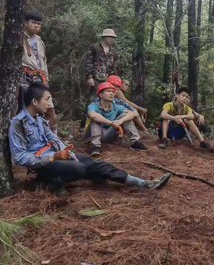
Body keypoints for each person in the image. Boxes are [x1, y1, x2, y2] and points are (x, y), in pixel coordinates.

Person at [9, 83, 170, 197]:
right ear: (35, 101)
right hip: (43, 164)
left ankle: (144, 183)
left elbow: (53, 138)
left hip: (56, 157)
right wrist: (51, 157)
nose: (50, 104)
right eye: (47, 99)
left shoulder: (39, 119)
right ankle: (48, 181)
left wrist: (66, 152)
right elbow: (19, 157)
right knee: (80, 169)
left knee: (94, 164)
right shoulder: (18, 123)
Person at [19, 10, 57, 134]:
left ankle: (53, 139)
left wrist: (46, 78)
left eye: (39, 24)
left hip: (39, 77)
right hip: (24, 76)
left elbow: (43, 62)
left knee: (49, 108)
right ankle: (25, 138)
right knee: (24, 109)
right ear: (25, 23)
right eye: (33, 23)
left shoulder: (40, 41)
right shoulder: (18, 37)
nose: (36, 26)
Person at [86, 82, 149, 156]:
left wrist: (120, 120)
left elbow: (132, 114)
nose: (111, 93)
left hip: (109, 134)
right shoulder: (93, 105)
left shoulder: (115, 106)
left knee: (125, 115)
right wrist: (111, 123)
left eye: (112, 92)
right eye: (108, 91)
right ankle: (95, 146)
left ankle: (135, 142)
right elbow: (93, 115)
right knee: (95, 120)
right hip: (93, 134)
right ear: (100, 94)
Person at [85, 29, 119, 104]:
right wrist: (89, 77)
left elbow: (114, 67)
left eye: (113, 37)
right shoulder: (95, 47)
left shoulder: (113, 52)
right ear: (104, 37)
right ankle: (89, 115)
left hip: (108, 81)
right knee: (93, 100)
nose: (112, 39)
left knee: (106, 101)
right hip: (96, 79)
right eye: (110, 37)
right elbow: (88, 62)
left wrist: (114, 81)